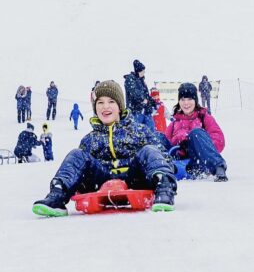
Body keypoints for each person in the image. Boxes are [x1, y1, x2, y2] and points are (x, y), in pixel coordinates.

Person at [32, 80, 177, 217]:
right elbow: (79, 168)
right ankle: (58, 194)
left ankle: (163, 187)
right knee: (77, 154)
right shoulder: (90, 139)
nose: (105, 107)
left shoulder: (140, 131)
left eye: (111, 102)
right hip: (101, 182)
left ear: (120, 107)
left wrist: (162, 169)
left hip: (134, 179)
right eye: (100, 102)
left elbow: (163, 157)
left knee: (149, 150)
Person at [165, 83, 228, 182]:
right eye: (182, 100)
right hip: (180, 161)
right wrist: (180, 146)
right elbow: (167, 144)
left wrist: (198, 145)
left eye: (189, 99)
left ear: (195, 101)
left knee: (196, 133)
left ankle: (218, 167)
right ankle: (156, 169)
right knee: (158, 136)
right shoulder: (174, 123)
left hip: (199, 160)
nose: (186, 103)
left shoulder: (204, 118)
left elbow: (219, 140)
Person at [124, 59, 156, 131]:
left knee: (150, 129)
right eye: (143, 71)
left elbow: (146, 94)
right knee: (136, 130)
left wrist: (151, 101)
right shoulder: (130, 79)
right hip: (135, 110)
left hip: (145, 109)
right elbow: (134, 92)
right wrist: (143, 99)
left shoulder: (141, 80)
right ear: (138, 71)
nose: (144, 73)